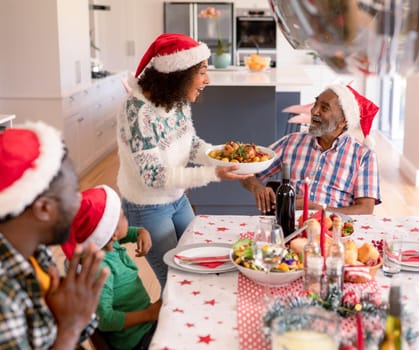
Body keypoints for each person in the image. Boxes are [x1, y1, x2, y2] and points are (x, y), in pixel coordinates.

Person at [117, 33, 250, 288]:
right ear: (178, 72)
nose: (207, 80)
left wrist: (222, 155)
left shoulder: (175, 101)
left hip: (177, 199)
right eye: (202, 72)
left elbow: (191, 145)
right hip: (147, 206)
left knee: (198, 266)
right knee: (176, 283)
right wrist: (214, 174)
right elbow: (153, 176)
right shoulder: (136, 111)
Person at [0, 121, 108, 349]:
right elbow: (71, 330)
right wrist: (69, 328)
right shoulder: (4, 299)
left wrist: (79, 313)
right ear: (44, 208)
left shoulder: (36, 252)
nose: (79, 202)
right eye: (73, 192)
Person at [242, 83, 381, 215]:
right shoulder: (291, 142)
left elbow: (365, 209)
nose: (314, 111)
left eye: (324, 108)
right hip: (289, 226)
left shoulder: (363, 155)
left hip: (333, 231)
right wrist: (257, 188)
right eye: (315, 104)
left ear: (342, 121)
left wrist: (317, 209)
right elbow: (247, 171)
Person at [61, 185, 160, 349]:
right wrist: (148, 314)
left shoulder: (107, 244)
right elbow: (105, 320)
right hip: (136, 340)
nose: (126, 217)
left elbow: (123, 233)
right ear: (111, 233)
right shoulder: (101, 270)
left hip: (147, 325)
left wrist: (140, 232)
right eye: (122, 216)